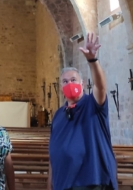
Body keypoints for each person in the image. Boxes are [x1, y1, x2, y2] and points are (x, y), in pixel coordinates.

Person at [48, 32, 117, 190]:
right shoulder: (58, 115)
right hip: (63, 183)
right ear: (61, 88)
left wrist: (92, 60)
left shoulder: (92, 105)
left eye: (73, 80)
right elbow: (53, 152)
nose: (69, 84)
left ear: (83, 83)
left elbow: (100, 87)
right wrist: (50, 182)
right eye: (65, 82)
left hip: (92, 181)